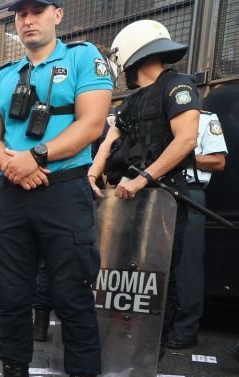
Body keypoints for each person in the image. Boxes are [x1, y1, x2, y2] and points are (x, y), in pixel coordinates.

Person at [0, 0, 112, 377]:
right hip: (12, 191)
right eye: (21, 14)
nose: (28, 20)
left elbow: (92, 123)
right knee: (11, 294)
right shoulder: (3, 76)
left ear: (57, 14)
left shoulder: (83, 58)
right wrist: (14, 165)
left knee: (71, 294)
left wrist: (36, 156)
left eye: (37, 10)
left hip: (64, 189)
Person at [90, 19, 201, 357]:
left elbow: (185, 140)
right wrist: (93, 172)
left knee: (158, 273)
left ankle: (151, 350)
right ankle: (120, 341)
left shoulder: (178, 87)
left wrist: (143, 179)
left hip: (163, 197)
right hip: (127, 198)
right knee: (121, 270)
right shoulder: (132, 100)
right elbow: (112, 137)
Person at [165, 111, 227, 349]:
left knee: (186, 266)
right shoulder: (157, 117)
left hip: (189, 191)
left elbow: (218, 161)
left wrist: (181, 155)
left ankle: (186, 328)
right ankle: (158, 324)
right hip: (155, 190)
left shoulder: (205, 119)